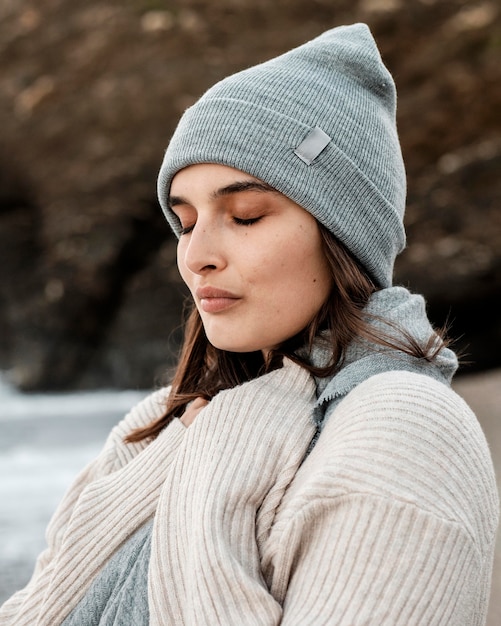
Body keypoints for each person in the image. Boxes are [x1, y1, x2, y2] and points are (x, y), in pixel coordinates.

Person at [1, 22, 498, 626]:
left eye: (246, 215)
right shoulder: (158, 427)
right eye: (184, 223)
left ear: (343, 233)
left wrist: (218, 463)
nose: (196, 254)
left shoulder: (403, 430)